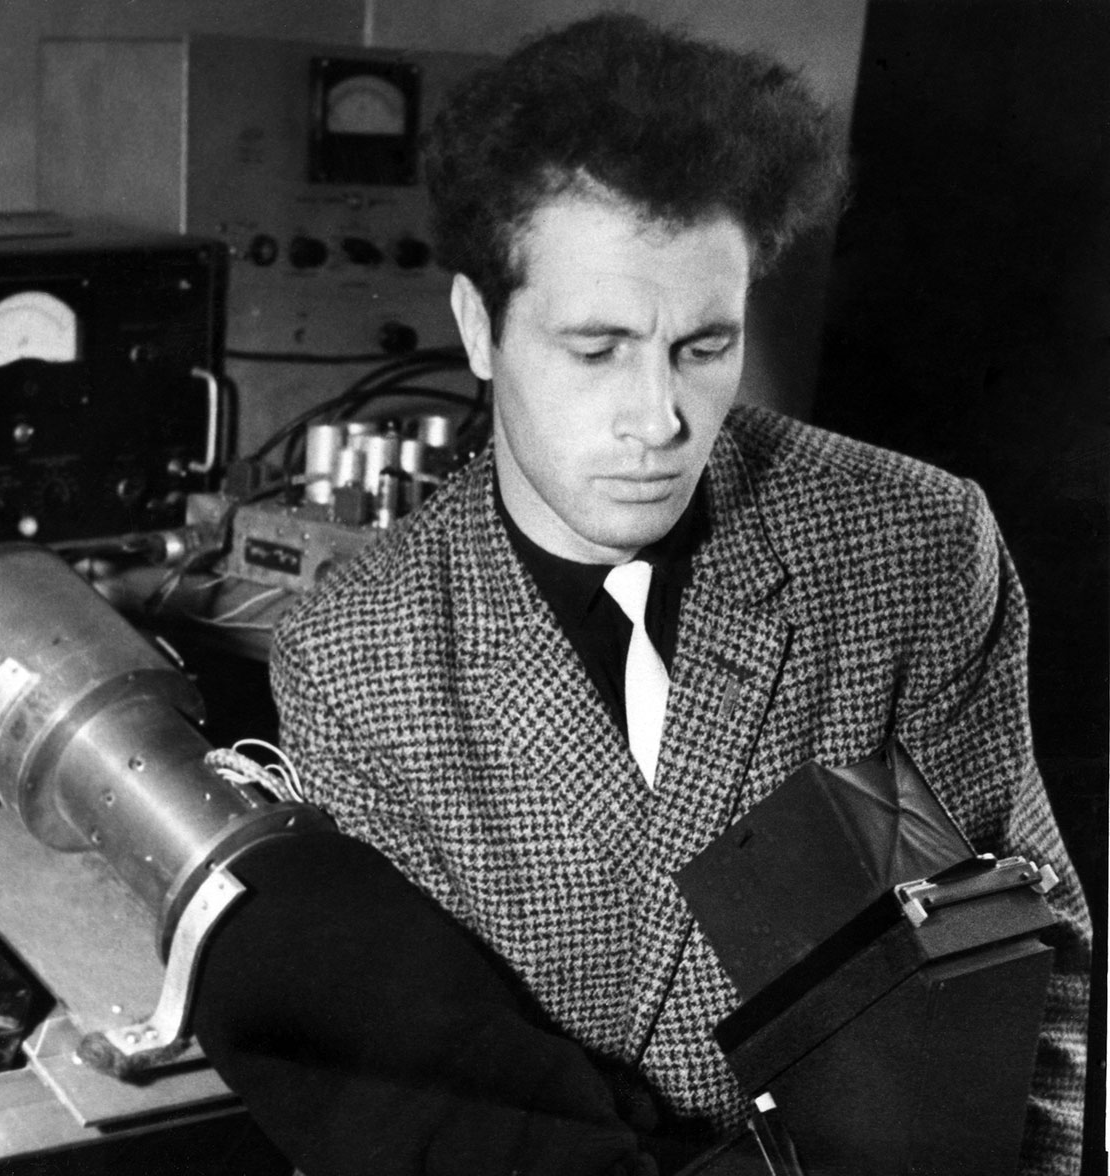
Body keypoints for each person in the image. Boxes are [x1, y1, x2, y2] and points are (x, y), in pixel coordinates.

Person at [219, 12, 1090, 1175]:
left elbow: (1029, 962)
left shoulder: (912, 544)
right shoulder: (357, 655)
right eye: (597, 349)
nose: (660, 418)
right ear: (478, 327)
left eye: (703, 346)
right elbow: (441, 1089)